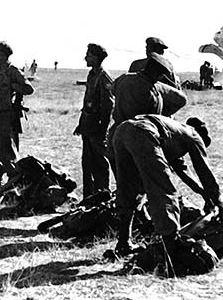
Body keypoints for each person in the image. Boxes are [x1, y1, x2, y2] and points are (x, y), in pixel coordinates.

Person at [112, 114, 223, 256]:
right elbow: (204, 171)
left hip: (121, 132)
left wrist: (206, 196)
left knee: (129, 190)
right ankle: (171, 245)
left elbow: (184, 172)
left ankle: (124, 243)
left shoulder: (176, 133)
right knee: (163, 189)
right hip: (144, 133)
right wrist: (217, 199)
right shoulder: (193, 134)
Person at [108, 53, 187, 176]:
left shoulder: (124, 78)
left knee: (123, 182)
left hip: (116, 137)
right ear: (159, 74)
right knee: (142, 183)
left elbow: (112, 90)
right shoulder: (154, 90)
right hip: (140, 141)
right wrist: (164, 115)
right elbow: (181, 99)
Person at [0, 42, 34, 191]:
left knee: (7, 146)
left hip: (8, 114)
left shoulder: (13, 71)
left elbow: (29, 88)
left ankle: (13, 178)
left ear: (3, 55)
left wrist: (14, 87)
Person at [73, 44, 114, 199]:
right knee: (87, 164)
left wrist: (103, 129)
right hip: (88, 127)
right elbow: (87, 102)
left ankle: (102, 196)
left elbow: (108, 105)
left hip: (97, 129)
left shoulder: (104, 77)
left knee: (100, 165)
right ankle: (89, 198)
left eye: (88, 55)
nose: (86, 57)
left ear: (96, 57)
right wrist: (81, 123)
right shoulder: (92, 75)